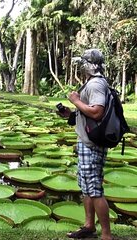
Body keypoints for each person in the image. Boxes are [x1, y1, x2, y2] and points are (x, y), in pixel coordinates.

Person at [58, 49, 112, 240]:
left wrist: (76, 100)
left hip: (92, 144)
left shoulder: (96, 83)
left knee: (95, 189)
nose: (79, 66)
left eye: (82, 62)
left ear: (89, 64)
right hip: (85, 141)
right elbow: (87, 113)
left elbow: (97, 112)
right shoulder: (90, 82)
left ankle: (106, 235)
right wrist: (70, 114)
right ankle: (89, 226)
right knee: (86, 187)